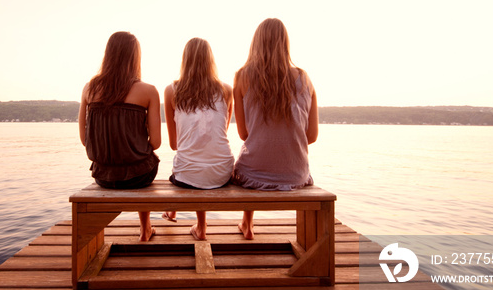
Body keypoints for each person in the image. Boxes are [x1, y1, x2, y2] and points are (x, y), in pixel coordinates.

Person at [232, 18, 319, 239]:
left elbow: (244, 135)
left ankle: (247, 224)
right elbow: (311, 136)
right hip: (295, 174)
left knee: (248, 158)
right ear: (285, 43)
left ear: (256, 43)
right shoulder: (304, 78)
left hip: (252, 174)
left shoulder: (242, 76)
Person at [78, 31, 161, 241]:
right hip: (140, 177)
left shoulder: (89, 88)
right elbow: (157, 143)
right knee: (145, 159)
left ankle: (144, 228)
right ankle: (145, 229)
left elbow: (83, 139)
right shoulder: (148, 91)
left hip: (103, 176)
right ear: (135, 57)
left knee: (139, 160)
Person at [163, 38, 234, 240]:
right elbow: (221, 134)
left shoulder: (171, 91)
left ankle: (190, 221)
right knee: (198, 163)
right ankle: (199, 226)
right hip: (222, 173)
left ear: (184, 61)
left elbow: (174, 144)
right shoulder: (226, 90)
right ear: (210, 61)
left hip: (187, 176)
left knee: (187, 166)